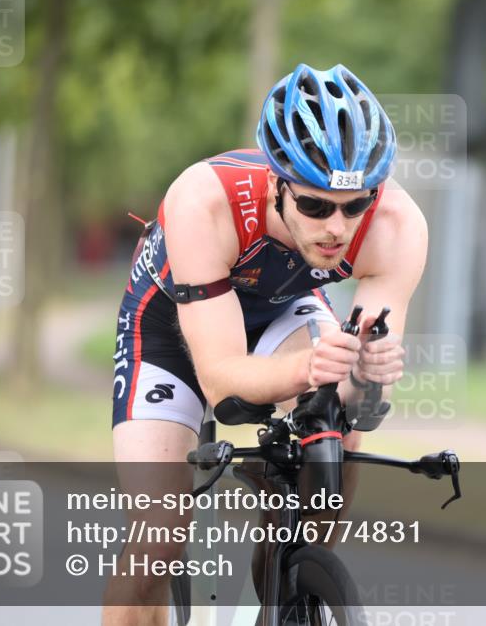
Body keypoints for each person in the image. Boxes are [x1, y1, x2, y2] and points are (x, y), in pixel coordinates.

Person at [103, 63, 428, 625]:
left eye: (355, 205)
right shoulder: (204, 201)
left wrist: (366, 374)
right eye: (315, 205)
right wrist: (311, 368)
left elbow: (364, 390)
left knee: (336, 436)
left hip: (283, 309)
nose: (338, 227)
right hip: (169, 326)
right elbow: (222, 379)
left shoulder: (396, 224)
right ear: (277, 184)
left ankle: (287, 580)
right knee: (157, 536)